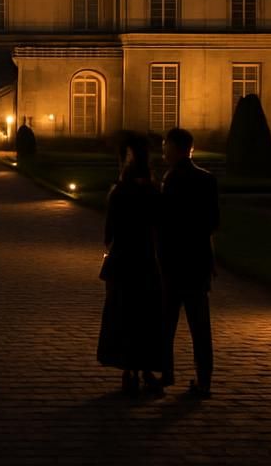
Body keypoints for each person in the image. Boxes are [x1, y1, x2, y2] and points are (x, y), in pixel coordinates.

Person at [96, 133, 166, 397]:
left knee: (123, 315)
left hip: (123, 261)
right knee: (147, 317)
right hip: (147, 260)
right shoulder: (153, 191)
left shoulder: (120, 192)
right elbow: (162, 227)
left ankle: (129, 371)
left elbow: (108, 236)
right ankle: (146, 369)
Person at [158, 127, 220, 398]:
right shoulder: (207, 179)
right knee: (200, 328)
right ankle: (203, 380)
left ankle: (165, 373)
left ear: (176, 148)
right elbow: (213, 222)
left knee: (166, 324)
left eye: (165, 146)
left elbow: (164, 224)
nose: (163, 151)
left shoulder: (171, 179)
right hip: (198, 261)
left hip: (174, 263)